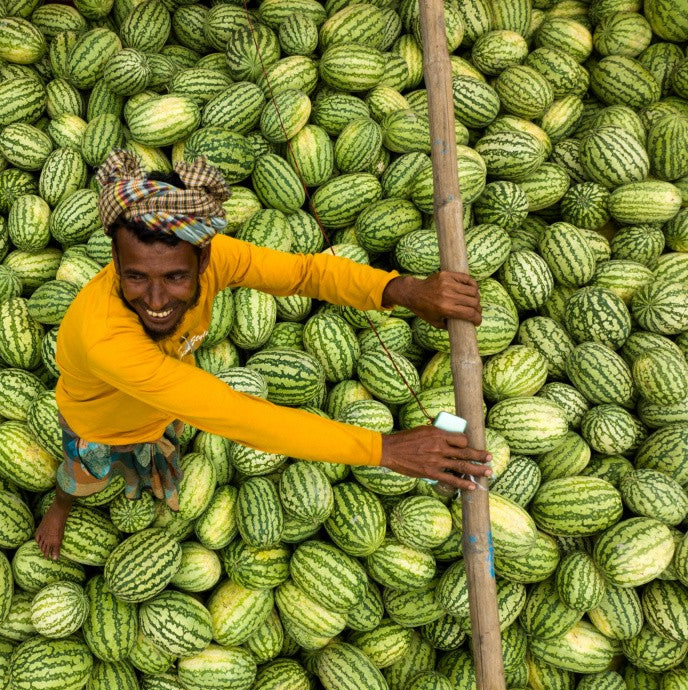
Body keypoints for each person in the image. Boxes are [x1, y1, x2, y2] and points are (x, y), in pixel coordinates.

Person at [35, 149, 490, 560]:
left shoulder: (218, 256)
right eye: (135, 276)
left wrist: (400, 289)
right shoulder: (106, 340)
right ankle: (60, 507)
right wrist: (383, 448)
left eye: (175, 277)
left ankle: (149, 456)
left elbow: (303, 272)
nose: (155, 299)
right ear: (114, 260)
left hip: (164, 403)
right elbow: (240, 416)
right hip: (100, 423)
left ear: (205, 259)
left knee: (162, 436)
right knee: (81, 473)